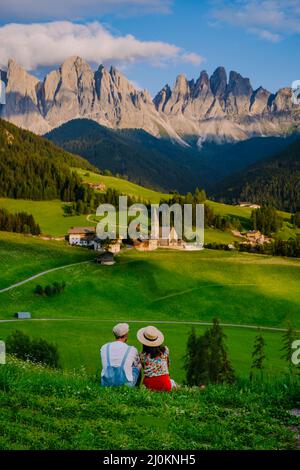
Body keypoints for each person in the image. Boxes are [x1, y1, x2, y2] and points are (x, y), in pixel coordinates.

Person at [137, 325, 177, 392]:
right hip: (166, 384)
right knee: (172, 382)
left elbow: (145, 369)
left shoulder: (142, 356)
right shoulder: (165, 351)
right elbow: (167, 365)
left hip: (150, 386)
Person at [100, 323, 141, 387]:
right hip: (126, 385)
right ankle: (136, 390)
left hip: (106, 383)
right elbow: (135, 364)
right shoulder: (132, 349)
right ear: (126, 335)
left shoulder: (104, 347)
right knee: (138, 365)